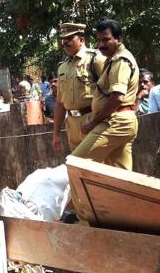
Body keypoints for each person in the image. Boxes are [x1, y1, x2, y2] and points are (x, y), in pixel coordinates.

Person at [71, 19, 139, 170]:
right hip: (121, 122)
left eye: (106, 40)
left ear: (119, 39)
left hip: (116, 122)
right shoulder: (112, 60)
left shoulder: (120, 61)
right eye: (99, 40)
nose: (101, 45)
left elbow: (117, 98)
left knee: (75, 163)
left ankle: (78, 195)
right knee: (119, 176)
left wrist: (92, 123)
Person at [52, 23, 107, 154]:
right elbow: (60, 103)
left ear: (81, 40)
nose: (65, 43)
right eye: (63, 40)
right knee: (78, 167)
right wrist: (56, 134)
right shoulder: (63, 67)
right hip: (72, 123)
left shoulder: (96, 59)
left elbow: (111, 93)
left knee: (96, 165)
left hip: (92, 119)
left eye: (69, 39)